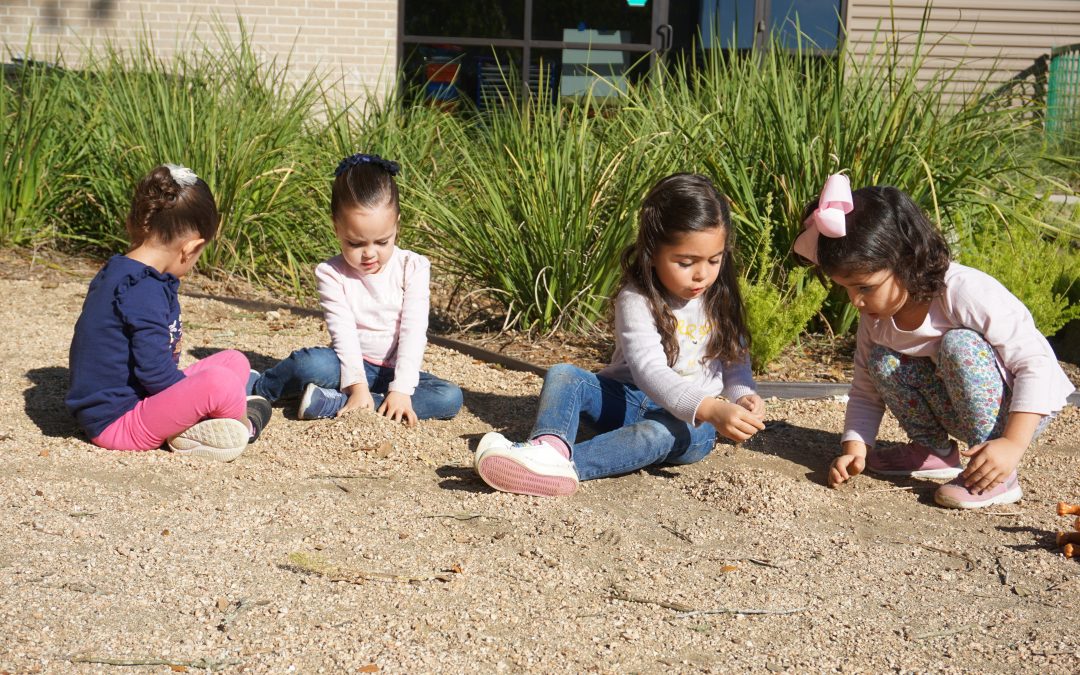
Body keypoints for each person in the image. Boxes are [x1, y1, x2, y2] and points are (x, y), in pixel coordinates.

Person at [473, 173, 766, 497]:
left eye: (714, 259)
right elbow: (649, 371)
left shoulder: (719, 295)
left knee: (654, 435)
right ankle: (549, 447)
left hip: (694, 425)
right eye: (685, 262)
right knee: (563, 375)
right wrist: (711, 406)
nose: (702, 274)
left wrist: (742, 394)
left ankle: (565, 468)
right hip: (628, 399)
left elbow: (734, 358)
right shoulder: (637, 298)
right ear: (652, 252)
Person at [794, 174, 1075, 508]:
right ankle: (935, 452)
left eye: (865, 287)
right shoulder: (877, 318)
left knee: (960, 345)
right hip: (961, 403)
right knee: (883, 361)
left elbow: (1035, 363)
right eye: (847, 288)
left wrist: (1012, 444)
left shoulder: (963, 291)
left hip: (1022, 408)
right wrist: (855, 450)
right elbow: (865, 391)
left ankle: (994, 472)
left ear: (905, 261)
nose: (856, 301)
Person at [66, 164, 271, 462]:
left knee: (233, 361)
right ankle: (242, 425)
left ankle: (203, 421)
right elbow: (155, 375)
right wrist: (198, 396)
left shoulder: (121, 270)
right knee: (222, 385)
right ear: (190, 248)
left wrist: (190, 394)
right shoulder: (142, 290)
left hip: (134, 401)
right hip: (120, 421)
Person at [250, 153, 462, 426]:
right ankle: (259, 388)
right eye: (355, 244)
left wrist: (401, 390)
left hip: (392, 372)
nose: (369, 254)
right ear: (336, 227)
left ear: (397, 224)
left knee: (449, 397)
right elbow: (344, 334)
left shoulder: (413, 267)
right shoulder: (332, 274)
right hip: (344, 365)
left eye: (382, 241)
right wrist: (357, 385)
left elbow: (413, 330)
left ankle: (336, 403)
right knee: (311, 364)